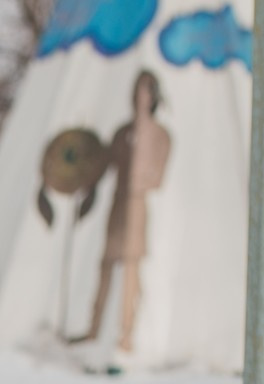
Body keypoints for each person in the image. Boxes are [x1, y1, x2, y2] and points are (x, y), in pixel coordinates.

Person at [81, 69, 171, 354]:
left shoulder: (160, 136)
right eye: (136, 91)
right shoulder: (122, 133)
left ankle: (127, 332)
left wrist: (141, 176)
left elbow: (157, 178)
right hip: (118, 204)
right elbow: (103, 166)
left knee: (132, 265)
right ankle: (94, 327)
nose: (139, 97)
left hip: (138, 204)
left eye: (144, 91)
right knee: (106, 264)